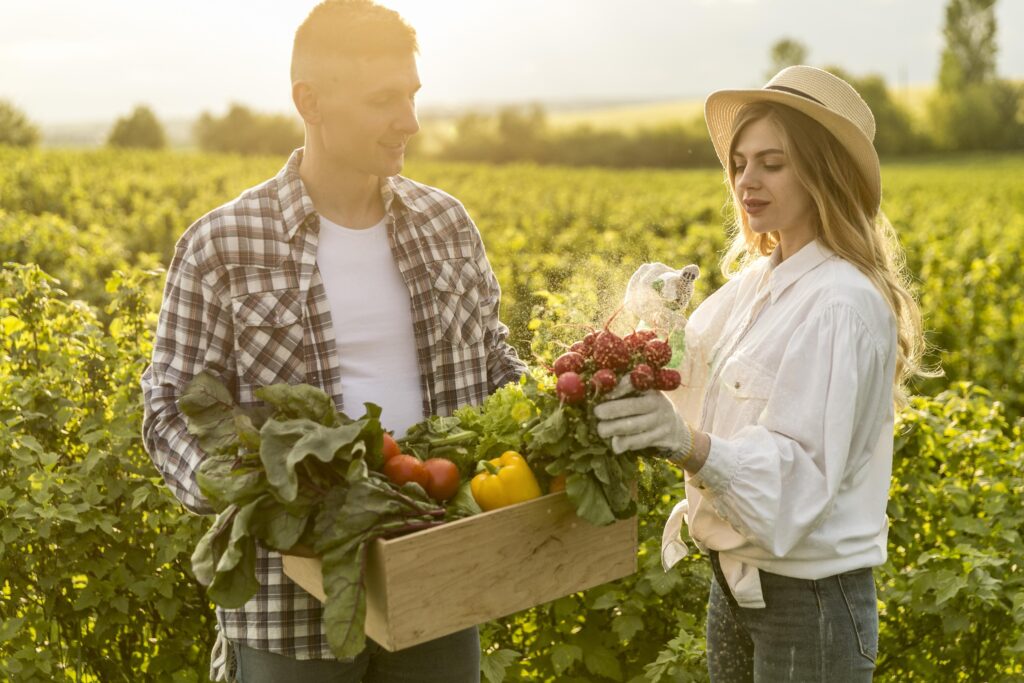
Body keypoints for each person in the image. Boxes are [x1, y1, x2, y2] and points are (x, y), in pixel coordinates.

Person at [141, 1, 525, 681]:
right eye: (384, 100)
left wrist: (566, 406)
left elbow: (493, 363)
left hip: (434, 576)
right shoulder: (223, 243)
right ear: (309, 102)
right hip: (291, 604)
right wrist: (259, 486)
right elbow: (169, 410)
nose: (409, 120)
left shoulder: (446, 223)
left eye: (412, 95)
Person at [595, 66, 931, 682]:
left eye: (772, 163)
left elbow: (800, 479)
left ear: (823, 171)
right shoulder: (753, 286)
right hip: (736, 584)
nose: (748, 181)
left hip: (810, 603)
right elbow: (690, 380)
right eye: (741, 163)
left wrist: (686, 445)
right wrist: (650, 326)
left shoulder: (841, 303)